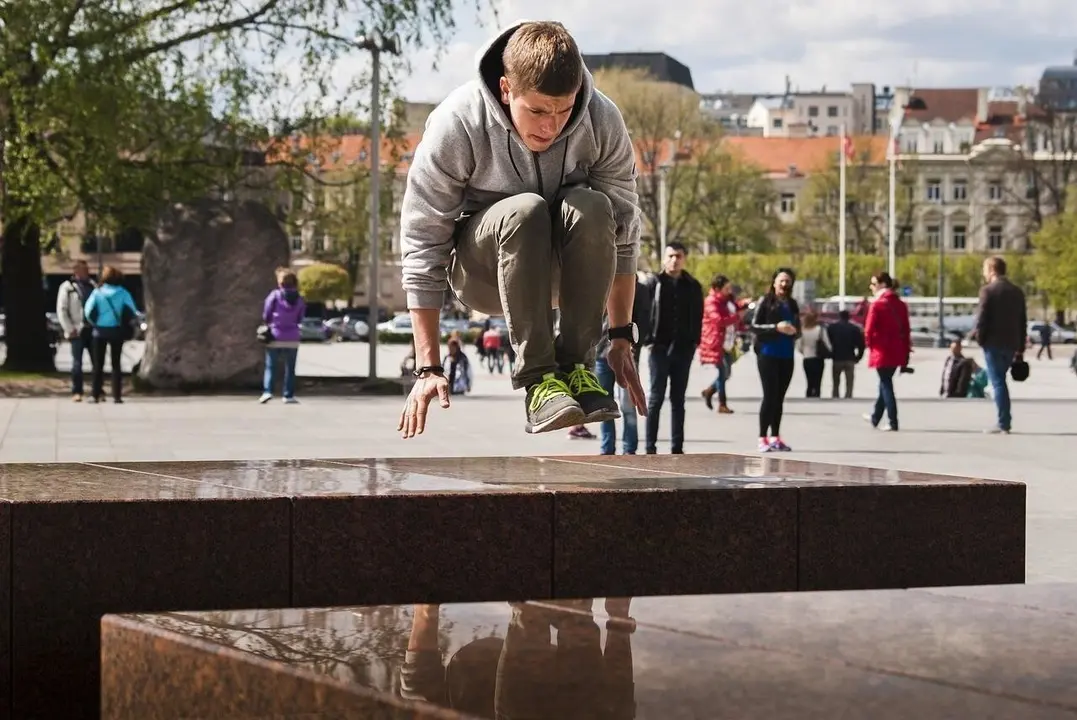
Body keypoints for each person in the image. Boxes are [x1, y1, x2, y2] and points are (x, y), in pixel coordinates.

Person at [395, 21, 647, 439]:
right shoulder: (458, 123)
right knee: (525, 211)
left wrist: (620, 336)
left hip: (563, 273)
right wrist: (428, 366)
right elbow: (423, 242)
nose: (551, 127)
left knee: (593, 205)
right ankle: (538, 381)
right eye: (538, 111)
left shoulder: (601, 118)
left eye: (564, 111)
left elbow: (624, 232)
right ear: (506, 88)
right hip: (483, 275)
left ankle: (576, 370)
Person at [643, 242, 703, 455]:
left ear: (684, 258)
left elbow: (698, 316)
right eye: (670, 256)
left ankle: (677, 448)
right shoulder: (654, 283)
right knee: (656, 398)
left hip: (682, 349)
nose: (674, 260)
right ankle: (650, 447)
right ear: (663, 258)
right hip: (659, 348)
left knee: (678, 400)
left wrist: (694, 343)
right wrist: (648, 339)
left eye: (678, 256)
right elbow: (645, 311)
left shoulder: (693, 286)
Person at [594, 271, 652, 454]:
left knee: (628, 406)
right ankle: (607, 449)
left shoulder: (639, 289)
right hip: (601, 354)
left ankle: (630, 450)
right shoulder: (599, 284)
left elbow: (644, 322)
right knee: (604, 406)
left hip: (627, 353)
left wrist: (633, 346)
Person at [973, 256, 1027, 434]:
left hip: (993, 343)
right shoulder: (1017, 291)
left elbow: (982, 318)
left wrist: (980, 339)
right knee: (999, 381)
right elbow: (1022, 321)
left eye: (985, 269)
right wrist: (1020, 348)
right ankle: (1004, 419)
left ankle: (1003, 422)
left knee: (998, 382)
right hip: (1012, 343)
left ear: (992, 270)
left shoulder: (988, 291)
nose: (984, 273)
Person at [750, 268, 801, 452]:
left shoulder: (793, 304)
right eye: (782, 280)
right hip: (768, 353)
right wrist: (776, 328)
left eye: (788, 281)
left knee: (779, 398)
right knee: (769, 396)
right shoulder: (765, 301)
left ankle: (775, 437)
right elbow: (754, 326)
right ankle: (762, 437)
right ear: (774, 282)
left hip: (787, 355)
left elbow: (798, 328)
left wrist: (795, 331)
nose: (784, 284)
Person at [863, 272, 911, 432]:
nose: (871, 287)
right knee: (885, 383)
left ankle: (893, 420)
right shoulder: (901, 304)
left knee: (886, 384)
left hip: (881, 350)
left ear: (882, 284)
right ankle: (875, 417)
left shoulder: (877, 305)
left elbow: (868, 330)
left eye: (874, 284)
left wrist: (870, 346)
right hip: (897, 350)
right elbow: (906, 329)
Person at [83, 266, 139, 404]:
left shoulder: (98, 293)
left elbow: (88, 310)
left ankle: (95, 394)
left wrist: (95, 322)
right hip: (116, 331)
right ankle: (117, 396)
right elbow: (132, 310)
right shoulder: (123, 293)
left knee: (98, 365)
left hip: (99, 331)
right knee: (116, 364)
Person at [259, 267, 306, 405]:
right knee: (290, 368)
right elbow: (300, 318)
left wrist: (269, 322)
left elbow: (266, 313)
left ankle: (268, 392)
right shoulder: (300, 299)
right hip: (292, 337)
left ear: (280, 283)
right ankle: (288, 395)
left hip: (275, 335)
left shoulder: (274, 295)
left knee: (271, 366)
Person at [699, 274, 741, 414]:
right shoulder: (711, 302)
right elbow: (719, 320)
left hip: (728, 342)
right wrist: (736, 317)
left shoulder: (726, 301)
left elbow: (734, 308)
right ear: (717, 288)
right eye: (726, 288)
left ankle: (709, 391)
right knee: (723, 372)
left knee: (727, 373)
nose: (729, 290)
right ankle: (722, 404)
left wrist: (743, 305)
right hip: (716, 342)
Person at [56, 260, 97, 402]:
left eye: (87, 270)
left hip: (92, 329)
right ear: (76, 272)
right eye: (83, 270)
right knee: (77, 363)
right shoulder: (67, 288)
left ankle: (97, 390)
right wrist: (69, 328)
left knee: (96, 362)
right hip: (76, 330)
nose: (86, 273)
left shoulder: (93, 285)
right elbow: (62, 310)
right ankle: (77, 391)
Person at [825, 309, 864, 399]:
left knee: (836, 380)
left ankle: (835, 395)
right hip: (850, 357)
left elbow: (827, 342)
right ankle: (848, 395)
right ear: (849, 317)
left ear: (839, 316)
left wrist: (829, 354)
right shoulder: (854, 328)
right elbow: (861, 344)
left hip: (837, 357)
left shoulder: (832, 328)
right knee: (849, 380)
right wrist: (858, 357)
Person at [796, 310, 830, 398]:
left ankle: (809, 394)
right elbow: (827, 344)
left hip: (807, 358)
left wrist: (804, 352)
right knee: (818, 380)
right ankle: (817, 394)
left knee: (809, 380)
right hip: (818, 358)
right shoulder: (820, 330)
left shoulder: (802, 331)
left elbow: (799, 346)